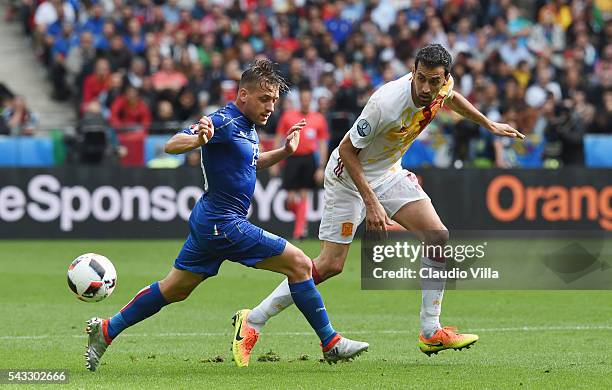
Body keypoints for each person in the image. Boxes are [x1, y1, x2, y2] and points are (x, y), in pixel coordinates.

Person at [238, 44, 525, 357]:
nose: (426, 88)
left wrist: (489, 124)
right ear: (413, 72)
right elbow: (347, 151)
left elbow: (451, 98)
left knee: (437, 236)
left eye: (434, 81)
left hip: (388, 173)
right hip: (348, 176)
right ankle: (254, 319)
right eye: (421, 79)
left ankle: (431, 331)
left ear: (445, 79)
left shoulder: (441, 89)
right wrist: (371, 202)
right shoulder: (386, 104)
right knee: (331, 265)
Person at [84, 59, 368, 372]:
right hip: (224, 222)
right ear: (242, 95)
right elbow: (171, 144)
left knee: (175, 288)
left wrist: (285, 152)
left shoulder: (248, 127)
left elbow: (250, 164)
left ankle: (107, 330)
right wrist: (198, 140)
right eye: (264, 99)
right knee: (301, 265)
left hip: (211, 221)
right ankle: (330, 342)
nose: (270, 106)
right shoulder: (223, 120)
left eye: (274, 100)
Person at [275, 81, 329, 239]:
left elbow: (322, 144)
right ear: (300, 100)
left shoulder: (318, 118)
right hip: (291, 158)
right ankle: (301, 222)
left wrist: (321, 167)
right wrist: (276, 159)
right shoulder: (288, 116)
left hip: (308, 159)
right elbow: (279, 136)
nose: (305, 101)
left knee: (304, 194)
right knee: (290, 199)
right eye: (303, 99)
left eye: (308, 99)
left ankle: (299, 232)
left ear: (311, 100)